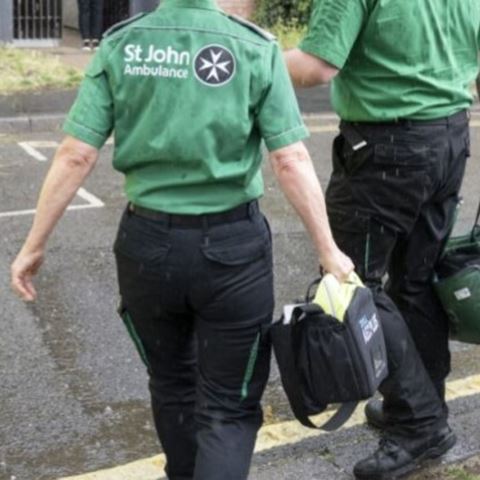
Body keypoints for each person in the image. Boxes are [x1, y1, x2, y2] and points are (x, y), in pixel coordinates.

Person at [10, 1, 354, 478]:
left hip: (146, 247)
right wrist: (327, 249)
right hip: (233, 251)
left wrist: (33, 245)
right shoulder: (254, 47)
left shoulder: (121, 43)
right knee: (228, 406)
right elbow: (290, 159)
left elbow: (74, 154)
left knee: (171, 383)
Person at [286, 0, 480, 478]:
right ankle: (420, 405)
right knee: (415, 282)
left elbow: (316, 67)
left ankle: (419, 424)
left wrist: (250, 54)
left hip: (386, 150)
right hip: (450, 138)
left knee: (352, 285)